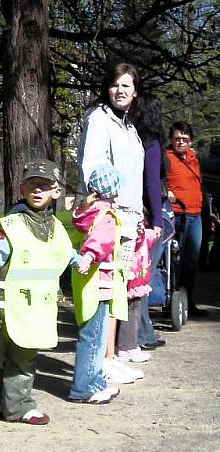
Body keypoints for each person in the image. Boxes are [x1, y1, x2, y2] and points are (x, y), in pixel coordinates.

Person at [0, 159, 77, 425]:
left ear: (57, 192)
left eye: (45, 185)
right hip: (5, 309)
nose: (38, 190)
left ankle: (18, 405)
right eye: (32, 185)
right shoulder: (11, 224)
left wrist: (79, 260)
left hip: (36, 311)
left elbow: (64, 251)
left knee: (25, 357)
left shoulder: (57, 227)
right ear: (22, 189)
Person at [76, 62, 145, 385]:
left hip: (130, 215)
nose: (121, 90)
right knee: (105, 290)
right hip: (108, 215)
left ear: (135, 92)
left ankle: (111, 355)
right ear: (108, 87)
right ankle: (100, 360)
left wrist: (139, 213)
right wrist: (107, 206)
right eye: (116, 84)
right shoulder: (99, 119)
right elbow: (93, 166)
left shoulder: (128, 126)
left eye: (127, 86)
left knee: (119, 288)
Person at [68, 164, 128, 404]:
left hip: (84, 282)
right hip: (99, 282)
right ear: (113, 191)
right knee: (94, 337)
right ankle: (83, 387)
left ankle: (94, 381)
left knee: (91, 333)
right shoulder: (107, 217)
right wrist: (90, 257)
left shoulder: (86, 211)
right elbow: (99, 242)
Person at [134, 93, 168, 350]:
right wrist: (157, 220)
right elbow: (152, 184)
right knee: (143, 278)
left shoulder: (133, 138)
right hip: (147, 216)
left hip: (134, 212)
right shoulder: (152, 144)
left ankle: (140, 333)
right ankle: (143, 334)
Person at [166, 121, 206, 315]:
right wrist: (167, 191)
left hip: (195, 215)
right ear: (171, 140)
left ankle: (188, 302)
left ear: (191, 140)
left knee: (191, 261)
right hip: (176, 215)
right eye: (177, 138)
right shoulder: (167, 158)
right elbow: (159, 181)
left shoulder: (193, 158)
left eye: (185, 138)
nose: (181, 141)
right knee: (173, 259)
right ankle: (171, 300)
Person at [201, 141, 220, 270]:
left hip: (204, 201)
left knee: (204, 234)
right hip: (217, 202)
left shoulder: (202, 162)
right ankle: (214, 260)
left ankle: (202, 261)